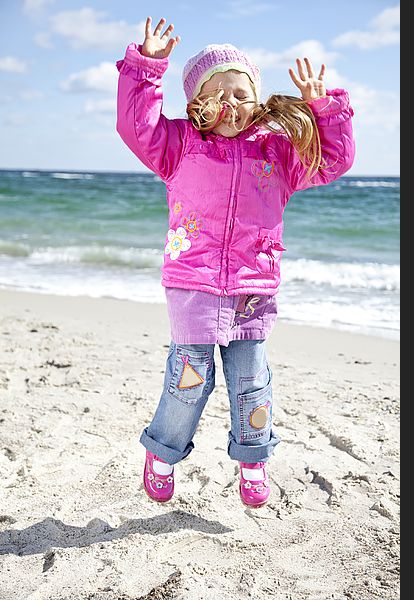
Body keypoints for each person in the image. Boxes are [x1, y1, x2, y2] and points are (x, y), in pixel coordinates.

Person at [116, 16, 355, 509]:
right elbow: (135, 125)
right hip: (193, 280)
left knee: (251, 379)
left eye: (241, 94)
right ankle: (162, 452)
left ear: (257, 100)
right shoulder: (178, 145)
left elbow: (334, 160)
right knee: (192, 375)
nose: (231, 104)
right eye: (217, 93)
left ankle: (253, 459)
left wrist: (324, 108)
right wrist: (147, 67)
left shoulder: (278, 154)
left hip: (253, 283)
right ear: (196, 102)